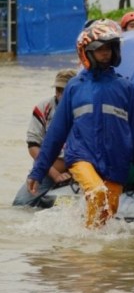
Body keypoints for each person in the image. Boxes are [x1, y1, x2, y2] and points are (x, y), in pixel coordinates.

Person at [26, 20, 134, 228]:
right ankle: (87, 247)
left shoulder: (125, 88)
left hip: (116, 163)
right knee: (97, 192)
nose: (105, 53)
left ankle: (87, 254)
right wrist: (38, 171)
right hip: (82, 157)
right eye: (100, 48)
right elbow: (56, 134)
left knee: (105, 219)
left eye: (109, 48)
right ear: (86, 52)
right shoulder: (74, 87)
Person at [13, 69, 77, 207]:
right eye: (58, 89)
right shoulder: (43, 107)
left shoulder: (84, 108)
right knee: (20, 204)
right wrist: (54, 174)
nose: (60, 94)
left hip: (79, 168)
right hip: (47, 169)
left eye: (64, 90)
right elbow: (33, 145)